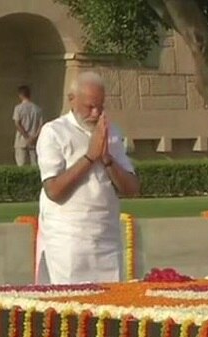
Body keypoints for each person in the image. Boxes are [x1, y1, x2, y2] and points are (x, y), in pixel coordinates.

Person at [34, 71, 140, 285]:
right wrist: (90, 157)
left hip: (106, 238)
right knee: (71, 310)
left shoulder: (111, 132)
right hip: (68, 241)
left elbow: (132, 189)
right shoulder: (54, 132)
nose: (95, 113)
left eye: (100, 106)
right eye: (89, 106)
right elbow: (53, 190)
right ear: (72, 100)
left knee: (110, 308)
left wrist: (107, 159)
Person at [12, 85, 44, 166]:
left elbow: (17, 123)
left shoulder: (18, 108)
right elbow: (41, 125)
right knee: (34, 165)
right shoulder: (37, 109)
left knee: (21, 165)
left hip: (21, 140)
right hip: (34, 141)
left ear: (20, 95)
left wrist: (26, 136)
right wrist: (34, 137)